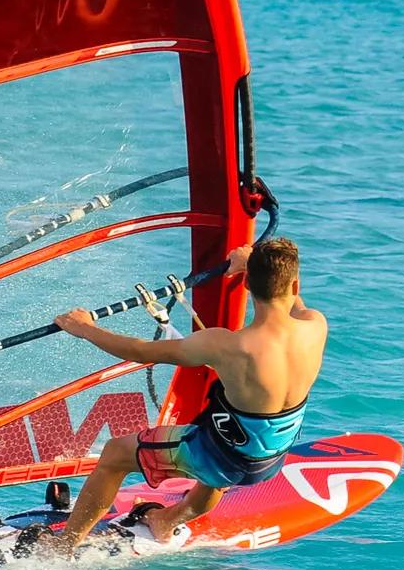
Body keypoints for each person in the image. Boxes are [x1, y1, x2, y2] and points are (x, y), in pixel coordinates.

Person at [50, 234, 326, 551]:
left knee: (115, 455)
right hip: (270, 458)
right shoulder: (315, 325)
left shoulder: (227, 345)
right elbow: (295, 304)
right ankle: (167, 521)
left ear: (248, 285)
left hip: (220, 456)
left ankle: (64, 546)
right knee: (224, 435)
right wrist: (251, 265)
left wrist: (85, 328)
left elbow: (139, 350)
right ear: (295, 286)